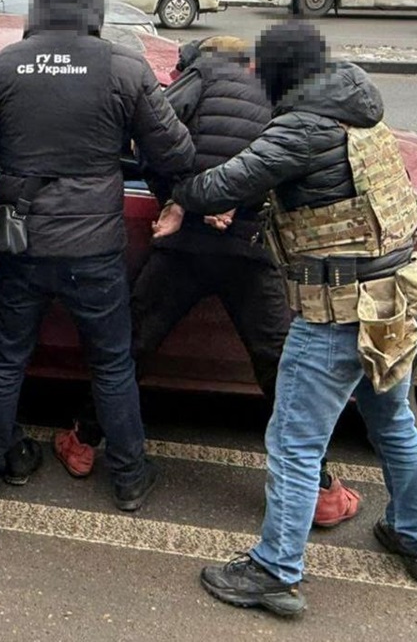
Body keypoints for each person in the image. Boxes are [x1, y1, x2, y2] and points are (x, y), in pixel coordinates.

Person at [177, 22, 417, 616]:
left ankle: (275, 571)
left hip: (338, 313)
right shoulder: (359, 108)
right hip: (397, 300)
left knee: (294, 443)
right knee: (393, 423)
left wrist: (182, 191)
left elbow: (224, 184)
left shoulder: (302, 126)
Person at [52, 36, 363, 530]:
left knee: (131, 345)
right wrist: (242, 204)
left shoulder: (201, 74)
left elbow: (151, 138)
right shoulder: (281, 89)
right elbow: (291, 162)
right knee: (278, 365)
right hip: (252, 248)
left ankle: (83, 442)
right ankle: (321, 490)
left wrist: (177, 199)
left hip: (186, 247)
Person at [0, 0, 195, 511]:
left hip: (22, 246)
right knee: (112, 365)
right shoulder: (124, 67)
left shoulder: (1, 66)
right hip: (95, 249)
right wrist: (176, 199)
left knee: (4, 361)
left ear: (37, 6)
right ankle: (130, 479)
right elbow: (176, 152)